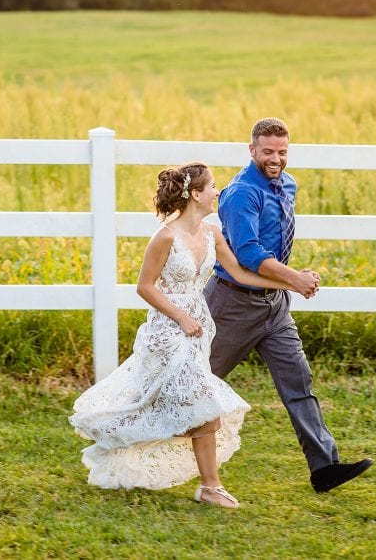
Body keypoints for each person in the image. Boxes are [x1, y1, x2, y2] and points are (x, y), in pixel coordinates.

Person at [70, 162, 310, 509]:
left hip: (200, 329)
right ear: (196, 194)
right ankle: (210, 487)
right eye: (212, 186)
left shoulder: (212, 232)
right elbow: (145, 287)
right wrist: (181, 317)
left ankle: (179, 445)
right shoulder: (165, 237)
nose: (217, 191)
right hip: (167, 330)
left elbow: (241, 274)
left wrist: (291, 283)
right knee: (204, 403)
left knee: (189, 405)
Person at [205, 117, 373, 493]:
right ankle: (132, 443)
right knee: (194, 382)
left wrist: (287, 284)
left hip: (274, 307)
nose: (276, 159)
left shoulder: (288, 184)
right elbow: (247, 253)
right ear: (252, 150)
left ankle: (324, 468)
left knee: (299, 382)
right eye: (267, 152)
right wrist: (294, 277)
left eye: (282, 152)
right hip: (232, 306)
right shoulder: (240, 193)